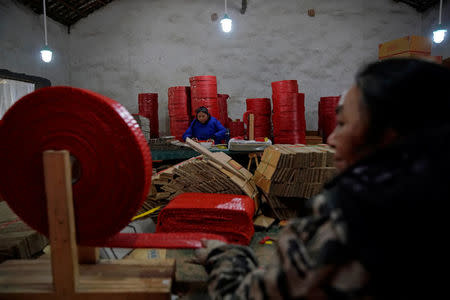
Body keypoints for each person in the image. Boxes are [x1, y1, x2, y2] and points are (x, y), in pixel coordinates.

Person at [191, 58, 450, 299]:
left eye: (343, 123)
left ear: (389, 134)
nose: (331, 139)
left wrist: (227, 257)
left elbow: (246, 296)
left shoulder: (351, 215)